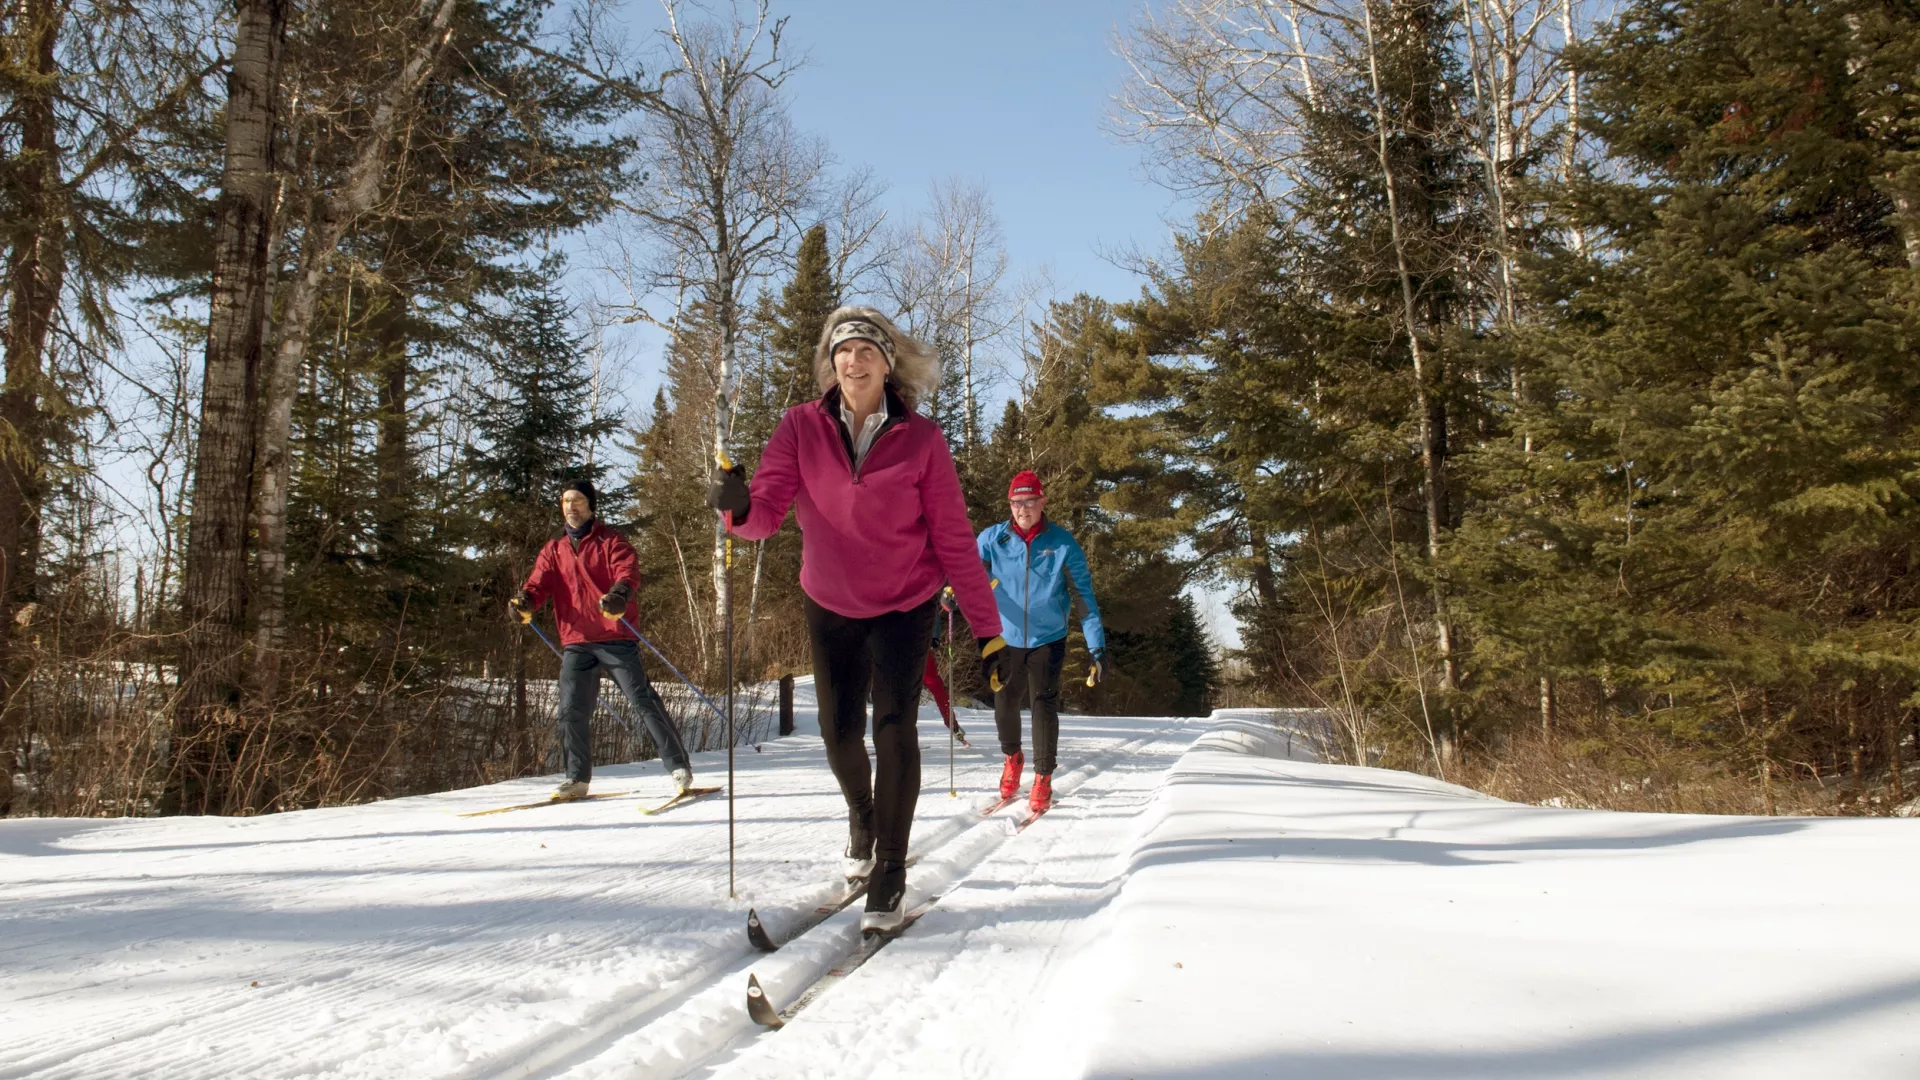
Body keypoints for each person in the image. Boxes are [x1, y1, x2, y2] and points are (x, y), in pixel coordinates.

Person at [707, 306, 1004, 933]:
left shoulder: (922, 439)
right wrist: (736, 507)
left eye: (867, 348)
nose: (854, 359)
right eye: (843, 349)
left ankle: (890, 869)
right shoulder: (800, 426)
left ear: (887, 363)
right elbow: (763, 515)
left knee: (893, 728)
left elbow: (954, 541)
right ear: (831, 362)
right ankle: (863, 818)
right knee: (839, 732)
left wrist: (989, 632)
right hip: (830, 600)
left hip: (905, 602)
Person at [509, 479, 694, 800]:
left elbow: (628, 572)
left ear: (591, 507)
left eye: (578, 500)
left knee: (642, 701)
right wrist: (524, 601)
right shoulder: (554, 549)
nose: (571, 507)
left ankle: (679, 767)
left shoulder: (610, 541)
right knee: (571, 709)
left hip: (614, 637)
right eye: (566, 501)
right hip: (576, 640)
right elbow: (538, 584)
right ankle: (576, 779)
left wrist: (620, 594)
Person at [976, 471, 1106, 814]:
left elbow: (1084, 597)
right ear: (1010, 505)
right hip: (1006, 638)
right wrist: (951, 593)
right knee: (1004, 706)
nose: (1023, 509)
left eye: (1030, 501)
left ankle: (1043, 777)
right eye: (1017, 503)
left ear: (1042, 502)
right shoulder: (992, 539)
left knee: (1042, 705)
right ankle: (1012, 757)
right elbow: (968, 574)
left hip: (1048, 638)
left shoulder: (1062, 544)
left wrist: (1097, 648)